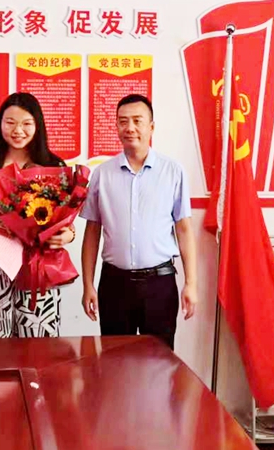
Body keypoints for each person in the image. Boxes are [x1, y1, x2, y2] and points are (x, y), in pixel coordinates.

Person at [80, 94, 197, 350]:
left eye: (137, 121)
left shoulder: (173, 171)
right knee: (114, 361)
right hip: (114, 284)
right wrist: (88, 285)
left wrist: (191, 283)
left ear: (151, 127)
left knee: (160, 362)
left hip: (159, 285)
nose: (130, 128)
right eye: (123, 121)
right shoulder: (102, 174)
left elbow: (184, 230)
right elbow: (92, 232)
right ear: (116, 127)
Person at [0, 92, 75, 338]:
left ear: (37, 125)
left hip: (39, 270)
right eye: (10, 122)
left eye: (26, 123)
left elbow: (65, 222)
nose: (18, 130)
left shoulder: (55, 167)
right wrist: (3, 234)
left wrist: (67, 236)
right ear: (0, 124)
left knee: (38, 346)